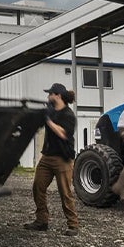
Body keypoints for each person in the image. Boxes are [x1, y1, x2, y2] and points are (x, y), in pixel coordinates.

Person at [24, 83, 79, 236]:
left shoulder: (68, 115)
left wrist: (48, 120)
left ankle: (73, 225)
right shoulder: (51, 111)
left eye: (50, 94)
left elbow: (62, 133)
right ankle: (41, 221)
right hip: (47, 157)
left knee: (65, 193)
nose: (48, 96)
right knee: (38, 187)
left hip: (63, 159)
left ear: (58, 96)